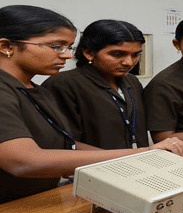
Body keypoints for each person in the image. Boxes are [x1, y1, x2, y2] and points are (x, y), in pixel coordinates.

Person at [0, 5, 183, 204]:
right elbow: (24, 161)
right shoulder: (14, 89)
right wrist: (140, 154)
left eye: (68, 47)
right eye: (56, 46)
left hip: (37, 200)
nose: (66, 55)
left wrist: (139, 162)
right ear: (6, 46)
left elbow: (67, 145)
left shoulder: (34, 89)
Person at [43, 19, 150, 149]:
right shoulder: (63, 85)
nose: (129, 62)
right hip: (91, 166)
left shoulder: (131, 81)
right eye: (117, 54)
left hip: (137, 163)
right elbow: (64, 141)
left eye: (136, 55)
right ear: (89, 53)